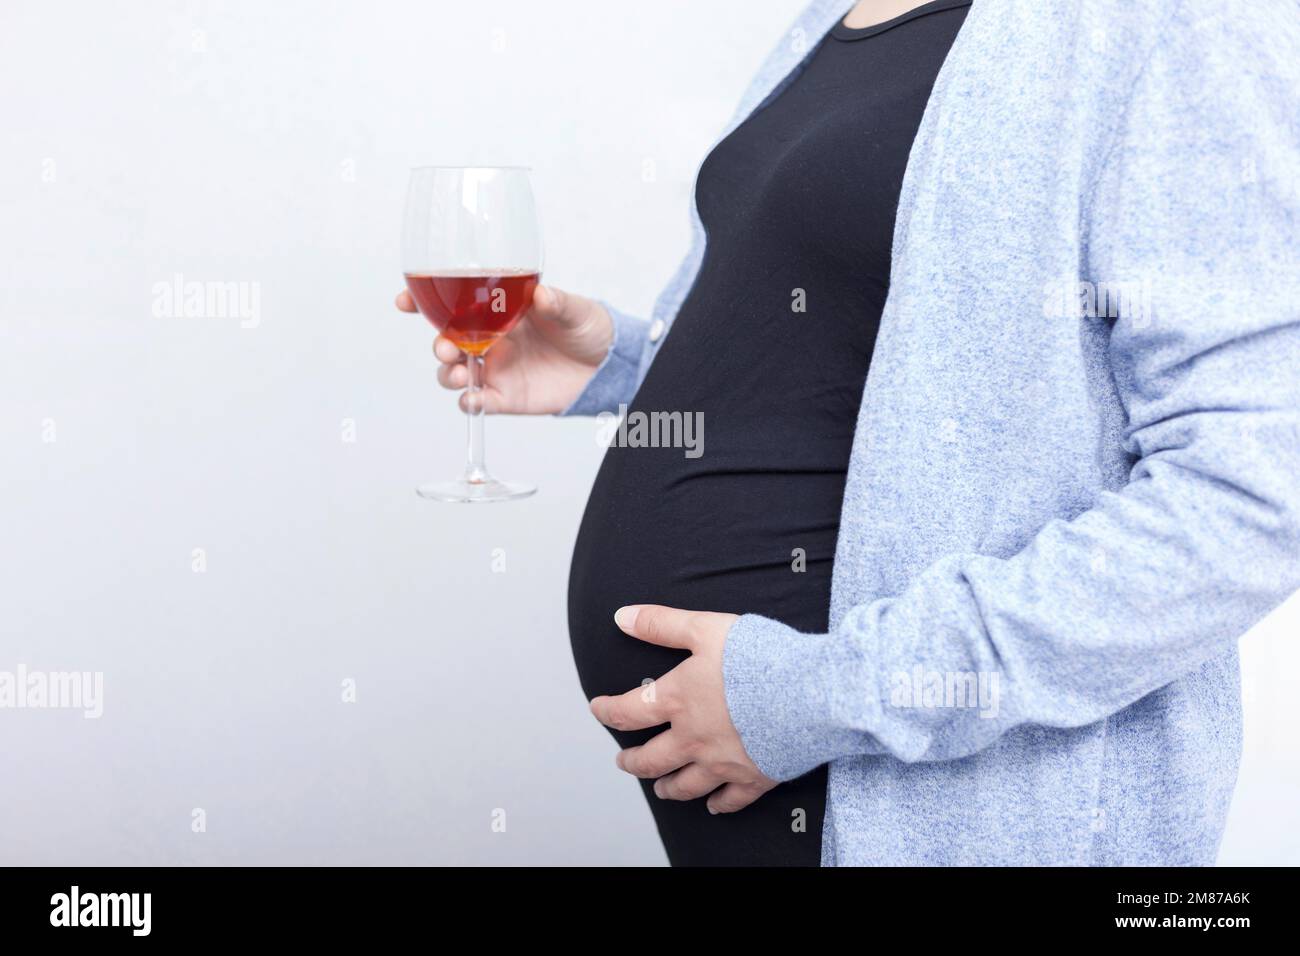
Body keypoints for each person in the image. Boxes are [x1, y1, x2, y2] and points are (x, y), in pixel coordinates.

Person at [396, 0, 1300, 866]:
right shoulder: (831, 15)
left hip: (920, 787)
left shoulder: (1175, 20)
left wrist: (814, 697)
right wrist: (628, 365)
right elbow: (864, 366)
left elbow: (1252, 498)